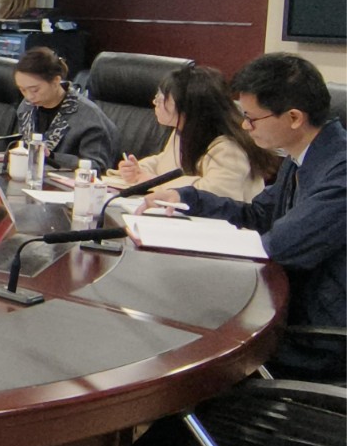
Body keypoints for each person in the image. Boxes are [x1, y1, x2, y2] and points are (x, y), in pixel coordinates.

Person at [141, 53, 344, 379]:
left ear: (294, 117)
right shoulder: (303, 156)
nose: (245, 126)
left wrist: (202, 249)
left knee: (184, 341)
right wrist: (188, 197)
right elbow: (258, 214)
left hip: (316, 337)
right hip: (285, 309)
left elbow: (279, 246)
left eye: (251, 118)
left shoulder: (340, 171)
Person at [115, 65, 277, 202]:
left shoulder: (229, 148)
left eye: (162, 98)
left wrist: (153, 181)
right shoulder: (183, 131)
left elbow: (215, 195)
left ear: (189, 107)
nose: (155, 102)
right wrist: (138, 169)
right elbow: (165, 162)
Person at [12, 47, 118, 169]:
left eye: (35, 90)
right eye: (23, 90)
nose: (29, 96)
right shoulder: (26, 107)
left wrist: (52, 157)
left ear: (56, 81)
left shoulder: (88, 117)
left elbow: (97, 166)